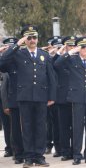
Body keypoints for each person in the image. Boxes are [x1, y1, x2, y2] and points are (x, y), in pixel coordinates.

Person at [0, 25, 56, 167]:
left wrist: (52, 96)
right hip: (24, 97)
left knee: (40, 127)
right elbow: (2, 63)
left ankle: (39, 156)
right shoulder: (18, 54)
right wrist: (16, 45)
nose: (32, 40)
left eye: (34, 37)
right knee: (26, 127)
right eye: (29, 37)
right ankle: (29, 157)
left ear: (38, 38)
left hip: (41, 96)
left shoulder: (44, 54)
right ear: (24, 39)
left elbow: (51, 77)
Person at [54, 37, 86, 165]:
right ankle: (77, 155)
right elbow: (57, 64)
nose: (85, 49)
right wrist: (70, 51)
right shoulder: (72, 60)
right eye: (83, 47)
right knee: (77, 128)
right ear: (78, 48)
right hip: (77, 99)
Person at [52, 36, 76, 161]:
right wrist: (62, 52)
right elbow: (55, 63)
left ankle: (75, 151)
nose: (71, 48)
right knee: (64, 127)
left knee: (75, 127)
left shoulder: (77, 59)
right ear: (65, 46)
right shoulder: (61, 59)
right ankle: (65, 151)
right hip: (63, 99)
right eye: (69, 46)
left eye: (73, 46)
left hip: (75, 98)